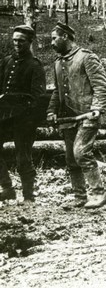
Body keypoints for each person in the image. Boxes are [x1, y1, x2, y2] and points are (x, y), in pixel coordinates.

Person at [47, 22, 106, 209]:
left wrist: (96, 109)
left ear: (65, 37)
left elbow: (102, 87)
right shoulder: (58, 63)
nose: (51, 43)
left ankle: (98, 194)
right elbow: (56, 91)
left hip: (88, 114)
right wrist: (51, 111)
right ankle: (79, 196)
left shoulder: (86, 58)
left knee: (81, 152)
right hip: (68, 117)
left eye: (54, 38)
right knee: (70, 157)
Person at [0, 25, 46, 202]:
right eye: (14, 40)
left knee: (23, 157)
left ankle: (28, 195)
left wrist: (18, 104)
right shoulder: (6, 61)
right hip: (4, 117)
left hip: (24, 119)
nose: (17, 43)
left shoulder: (35, 66)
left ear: (30, 42)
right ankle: (7, 188)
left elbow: (37, 97)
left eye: (21, 41)